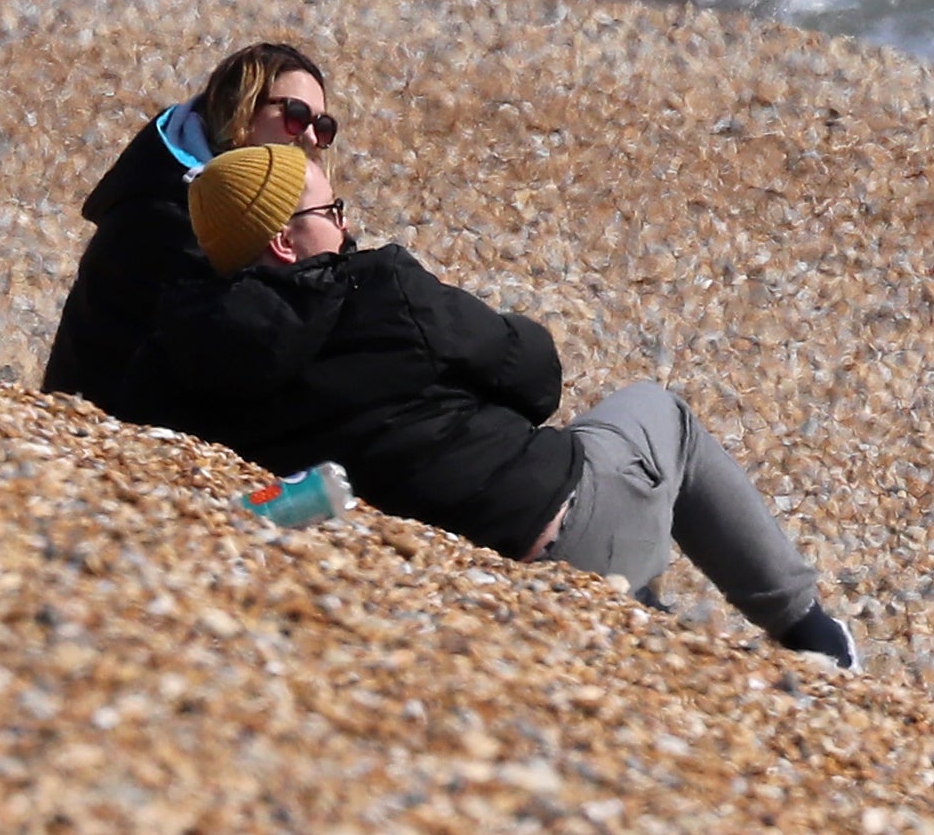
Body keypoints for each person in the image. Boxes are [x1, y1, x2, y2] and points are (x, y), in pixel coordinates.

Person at [154, 137, 860, 668]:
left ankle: (649, 618)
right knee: (656, 411)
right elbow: (535, 378)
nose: (344, 225)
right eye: (330, 211)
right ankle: (810, 630)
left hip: (450, 578)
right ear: (284, 239)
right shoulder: (379, 288)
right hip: (553, 531)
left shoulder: (190, 361)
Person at [42, 38, 329, 429]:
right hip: (99, 424)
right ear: (241, 108)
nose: (311, 139)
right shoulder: (165, 214)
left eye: (323, 127)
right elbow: (254, 334)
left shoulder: (208, 194)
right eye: (296, 116)